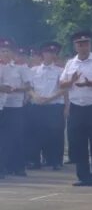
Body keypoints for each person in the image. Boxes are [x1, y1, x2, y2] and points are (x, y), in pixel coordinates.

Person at [58, 31, 92, 187]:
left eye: (86, 43)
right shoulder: (70, 63)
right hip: (76, 107)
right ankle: (83, 177)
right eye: (79, 44)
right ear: (75, 46)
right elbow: (61, 84)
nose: (83, 46)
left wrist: (90, 84)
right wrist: (72, 80)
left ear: (90, 44)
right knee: (78, 142)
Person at [28, 42, 67, 170]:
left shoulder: (60, 71)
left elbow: (63, 89)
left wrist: (49, 98)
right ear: (43, 54)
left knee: (55, 134)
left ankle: (55, 161)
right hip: (37, 105)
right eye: (48, 52)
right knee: (35, 133)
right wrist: (35, 96)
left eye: (53, 53)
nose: (50, 55)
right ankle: (35, 160)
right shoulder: (34, 70)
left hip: (54, 106)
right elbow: (29, 87)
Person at [0, 39, 32, 176]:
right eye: (2, 51)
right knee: (3, 139)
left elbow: (28, 86)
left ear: (13, 53)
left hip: (15, 106)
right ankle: (4, 167)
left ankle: (18, 166)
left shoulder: (20, 68)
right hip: (2, 106)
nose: (4, 53)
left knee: (15, 137)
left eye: (7, 51)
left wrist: (14, 89)